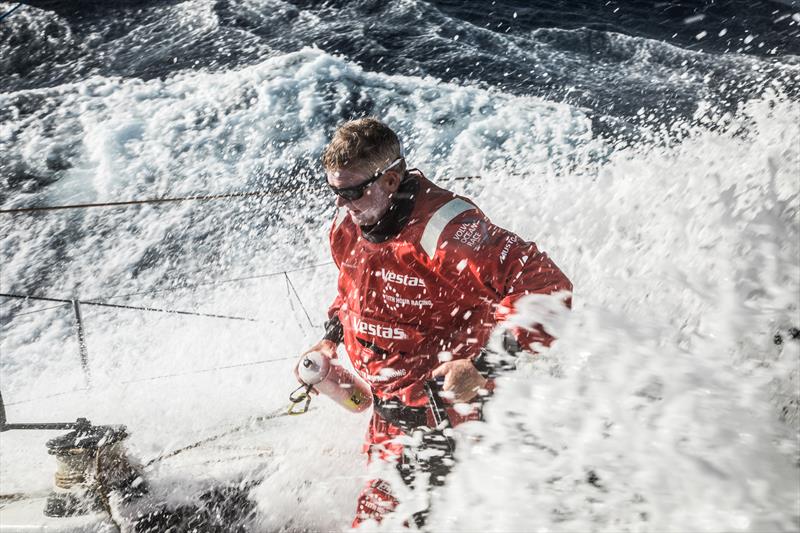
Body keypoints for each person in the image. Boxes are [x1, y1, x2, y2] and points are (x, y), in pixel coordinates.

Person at [301, 117, 572, 527]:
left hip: (446, 421)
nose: (342, 203)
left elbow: (550, 290)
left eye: (353, 191)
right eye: (335, 191)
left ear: (391, 180)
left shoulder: (448, 231)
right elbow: (352, 291)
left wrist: (483, 366)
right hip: (388, 418)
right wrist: (330, 339)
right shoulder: (348, 224)